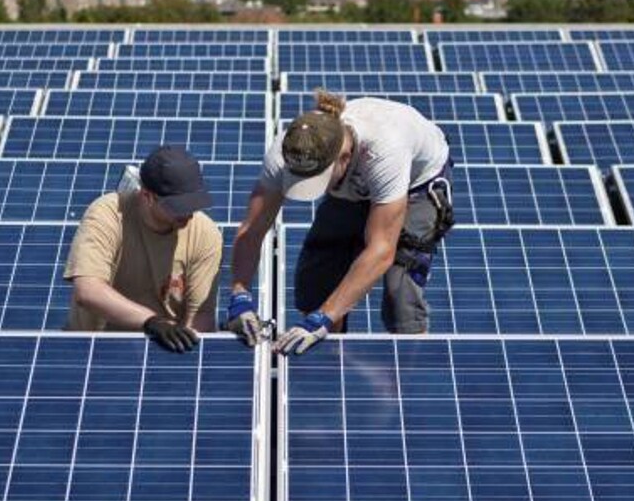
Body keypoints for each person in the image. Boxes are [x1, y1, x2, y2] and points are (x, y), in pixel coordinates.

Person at [225, 90, 453, 355]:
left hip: (416, 183)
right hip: (353, 184)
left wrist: (324, 318)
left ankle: (409, 370)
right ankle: (330, 369)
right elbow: (252, 229)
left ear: (344, 159)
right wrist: (239, 296)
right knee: (316, 283)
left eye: (318, 179)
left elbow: (381, 250)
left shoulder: (385, 153)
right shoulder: (287, 151)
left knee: (399, 292)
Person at [65, 145, 222, 352]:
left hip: (162, 350)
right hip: (95, 348)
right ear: (147, 196)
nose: (188, 213)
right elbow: (88, 290)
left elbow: (200, 315)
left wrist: (187, 357)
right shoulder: (108, 214)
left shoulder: (206, 234)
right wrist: (151, 322)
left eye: (193, 204)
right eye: (178, 206)